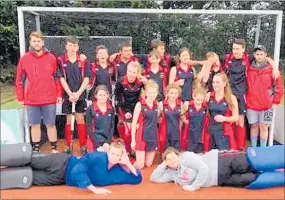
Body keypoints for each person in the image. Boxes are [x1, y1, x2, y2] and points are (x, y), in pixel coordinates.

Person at [1, 140, 142, 195]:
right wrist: (94, 189)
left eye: (118, 155)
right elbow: (78, 170)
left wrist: (127, 162)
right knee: (27, 159)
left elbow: (137, 179)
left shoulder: (118, 172)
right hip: (61, 162)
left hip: (60, 179)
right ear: (108, 151)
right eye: (113, 153)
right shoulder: (98, 157)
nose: (114, 157)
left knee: (28, 178)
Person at [150, 146, 284, 191]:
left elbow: (204, 169)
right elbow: (154, 178)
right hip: (220, 180)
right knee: (251, 180)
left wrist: (194, 187)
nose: (172, 161)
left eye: (173, 157)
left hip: (222, 161)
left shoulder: (187, 157)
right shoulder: (173, 175)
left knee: (255, 163)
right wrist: (164, 162)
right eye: (169, 160)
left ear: (178, 155)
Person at [15, 31, 62, 153]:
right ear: (30, 42)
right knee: (34, 125)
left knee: (51, 124)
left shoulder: (52, 58)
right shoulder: (24, 58)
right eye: (34, 41)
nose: (37, 43)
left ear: (43, 42)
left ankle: (54, 149)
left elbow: (57, 78)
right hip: (31, 99)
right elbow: (19, 79)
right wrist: (20, 97)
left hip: (49, 98)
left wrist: (59, 94)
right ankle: (35, 149)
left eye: (39, 41)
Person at [57, 36, 91, 155]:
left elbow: (86, 79)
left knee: (80, 119)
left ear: (78, 47)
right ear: (66, 46)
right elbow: (61, 78)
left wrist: (78, 93)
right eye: (70, 45)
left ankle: (82, 145)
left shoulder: (83, 60)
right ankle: (68, 145)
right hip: (68, 96)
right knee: (68, 120)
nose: (72, 48)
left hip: (79, 95)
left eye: (74, 45)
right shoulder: (60, 60)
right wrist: (69, 93)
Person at [246, 45, 284, 147]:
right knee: (253, 126)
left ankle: (263, 148)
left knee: (264, 127)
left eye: (261, 54)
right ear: (254, 55)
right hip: (251, 104)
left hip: (267, 105)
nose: (259, 56)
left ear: (265, 55)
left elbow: (279, 87)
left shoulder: (272, 70)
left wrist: (276, 101)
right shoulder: (249, 68)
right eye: (257, 54)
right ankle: (254, 147)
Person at [204, 72, 239, 151]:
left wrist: (224, 118)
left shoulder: (231, 98)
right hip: (210, 131)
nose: (215, 84)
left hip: (224, 133)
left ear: (224, 84)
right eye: (213, 82)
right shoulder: (208, 95)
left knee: (224, 157)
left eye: (217, 82)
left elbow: (236, 117)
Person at [114, 61, 144, 153]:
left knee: (135, 128)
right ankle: (126, 148)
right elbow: (118, 97)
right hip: (124, 107)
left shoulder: (141, 82)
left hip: (136, 107)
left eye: (134, 72)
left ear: (138, 73)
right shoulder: (120, 81)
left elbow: (145, 94)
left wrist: (146, 82)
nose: (131, 74)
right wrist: (126, 111)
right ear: (127, 70)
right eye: (129, 71)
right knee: (127, 129)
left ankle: (132, 149)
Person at [131, 80, 160, 169]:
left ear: (157, 93)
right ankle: (129, 164)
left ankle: (138, 158)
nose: (152, 95)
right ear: (146, 92)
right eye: (150, 92)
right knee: (140, 165)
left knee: (148, 164)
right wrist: (133, 141)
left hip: (152, 137)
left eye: (154, 92)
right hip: (141, 137)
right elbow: (134, 123)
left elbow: (157, 120)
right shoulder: (139, 105)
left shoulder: (157, 104)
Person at [86, 85, 115, 152]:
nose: (102, 97)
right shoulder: (90, 109)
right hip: (94, 140)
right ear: (96, 96)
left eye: (104, 95)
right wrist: (98, 146)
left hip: (107, 140)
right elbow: (89, 128)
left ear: (108, 95)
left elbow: (112, 127)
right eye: (100, 95)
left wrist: (107, 142)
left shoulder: (111, 109)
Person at [182, 87, 209, 153]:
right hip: (189, 133)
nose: (200, 101)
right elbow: (181, 114)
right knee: (188, 152)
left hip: (200, 133)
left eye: (201, 100)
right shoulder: (187, 104)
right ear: (193, 96)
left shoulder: (206, 107)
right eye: (198, 99)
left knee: (199, 153)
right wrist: (184, 119)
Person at [158, 84, 183, 153]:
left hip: (176, 133)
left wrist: (179, 129)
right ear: (167, 93)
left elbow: (181, 119)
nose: (173, 95)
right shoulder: (161, 104)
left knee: (176, 153)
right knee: (165, 153)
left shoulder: (180, 104)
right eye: (171, 93)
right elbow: (156, 118)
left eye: (176, 93)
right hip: (165, 133)